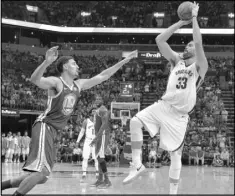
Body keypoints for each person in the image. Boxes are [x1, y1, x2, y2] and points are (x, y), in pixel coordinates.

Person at [2, 46, 137, 195]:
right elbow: (35, 80)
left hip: (53, 131)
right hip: (45, 126)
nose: (78, 66)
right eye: (74, 64)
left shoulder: (78, 85)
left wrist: (125, 61)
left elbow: (103, 75)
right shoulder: (56, 82)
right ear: (65, 67)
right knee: (42, 172)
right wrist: (46, 62)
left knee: (41, 177)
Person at [123, 2, 208, 195]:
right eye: (186, 44)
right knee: (135, 122)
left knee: (175, 155)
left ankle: (173, 192)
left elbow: (199, 41)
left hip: (179, 116)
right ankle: (137, 165)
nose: (187, 45)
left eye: (190, 44)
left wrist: (194, 18)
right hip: (163, 105)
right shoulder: (176, 61)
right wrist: (181, 22)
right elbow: (160, 40)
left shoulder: (201, 66)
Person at [89, 100, 112, 189]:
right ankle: (100, 180)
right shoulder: (98, 111)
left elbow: (104, 125)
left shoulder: (103, 110)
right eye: (96, 99)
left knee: (101, 158)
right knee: (98, 158)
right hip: (99, 136)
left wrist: (96, 138)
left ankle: (107, 181)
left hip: (102, 135)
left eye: (98, 99)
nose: (96, 101)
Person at [76, 112, 99, 182]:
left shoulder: (98, 121)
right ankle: (84, 174)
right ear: (90, 115)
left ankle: (97, 173)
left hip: (95, 141)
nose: (94, 116)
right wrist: (77, 141)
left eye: (95, 115)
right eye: (93, 115)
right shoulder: (86, 121)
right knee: (85, 158)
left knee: (96, 158)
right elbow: (82, 132)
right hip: (88, 141)